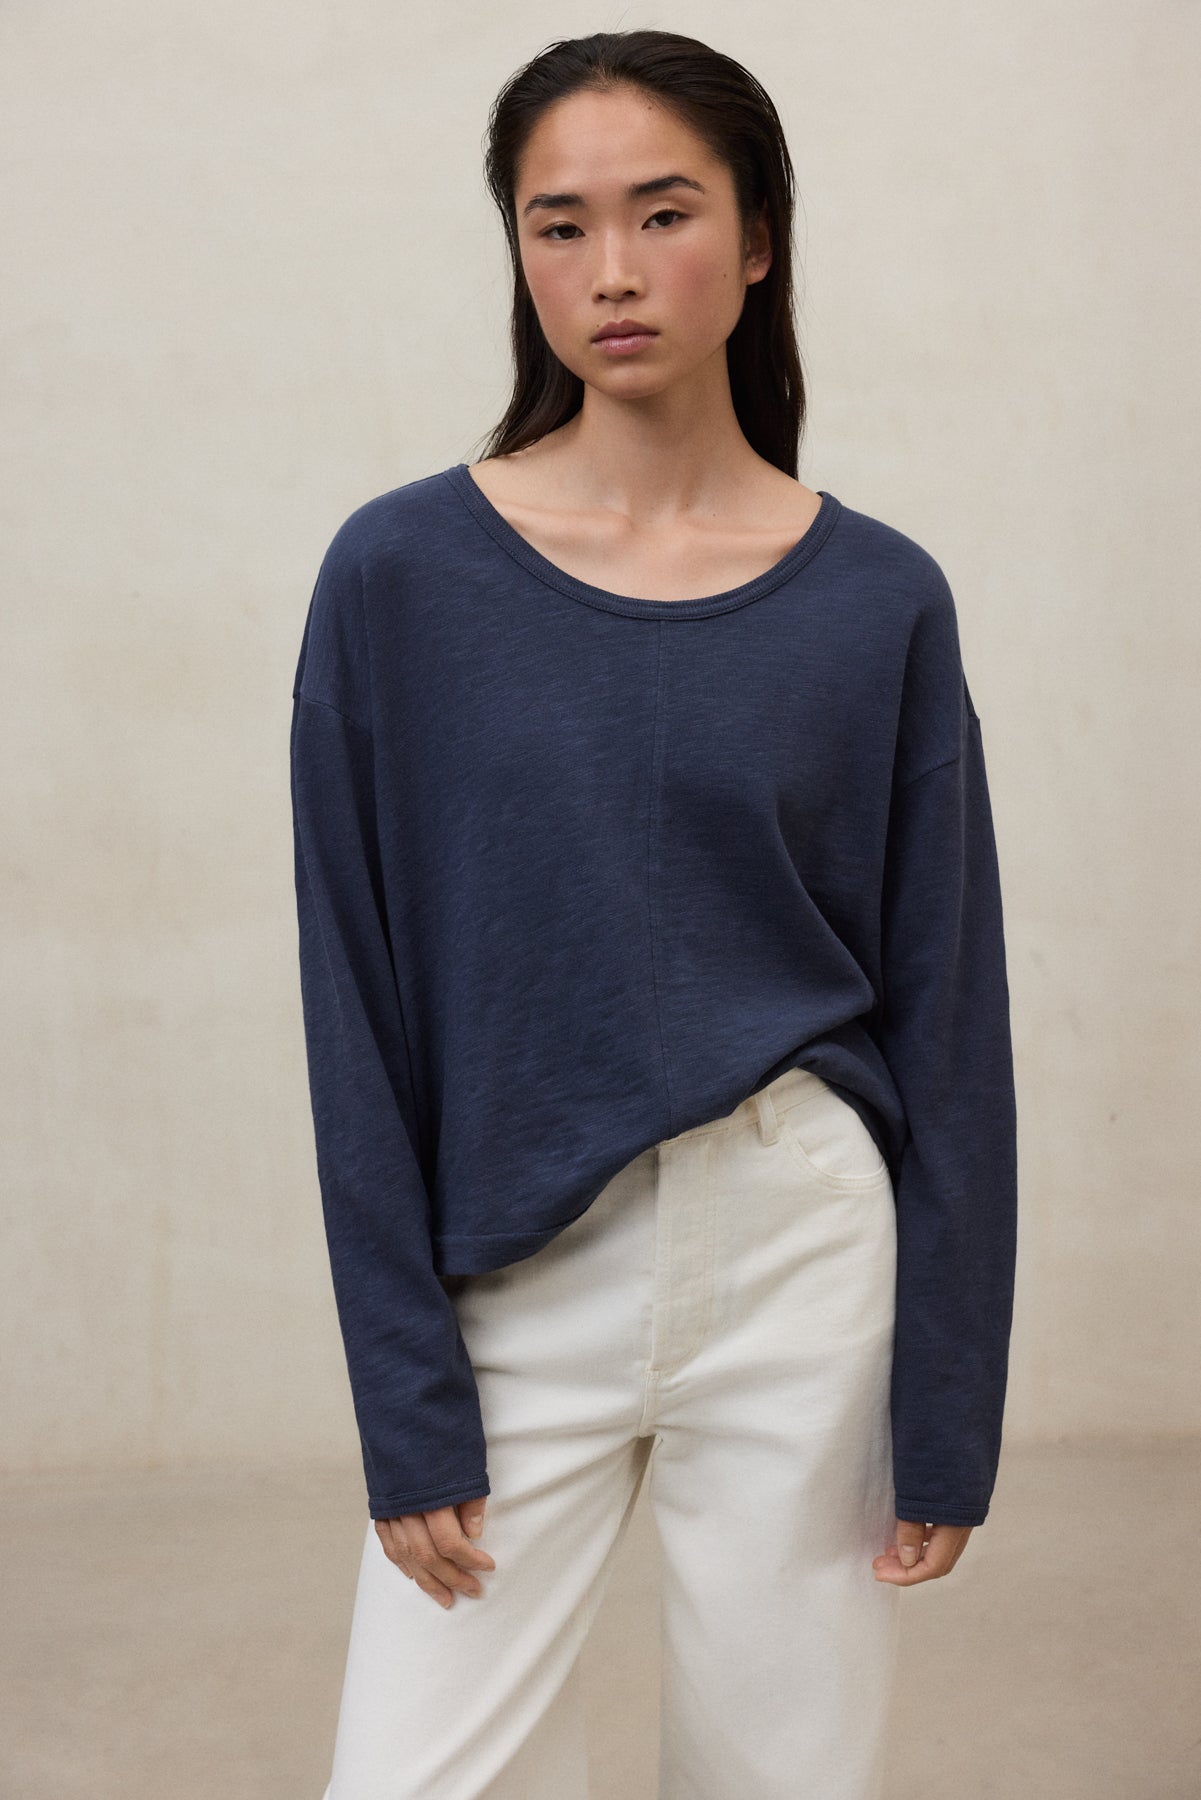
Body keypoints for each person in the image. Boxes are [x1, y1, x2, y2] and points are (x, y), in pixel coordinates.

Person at [289, 27, 1018, 1800]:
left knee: (783, 1781)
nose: (609, 269)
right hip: (512, 1260)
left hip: (799, 1253)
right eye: (559, 224)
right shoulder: (398, 576)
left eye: (662, 213)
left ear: (757, 241)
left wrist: (947, 1400)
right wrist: (402, 1393)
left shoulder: (878, 599)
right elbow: (353, 999)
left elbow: (946, 1013)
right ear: (518, 252)